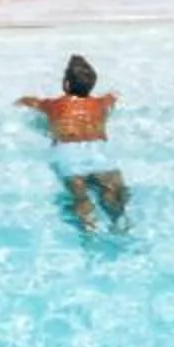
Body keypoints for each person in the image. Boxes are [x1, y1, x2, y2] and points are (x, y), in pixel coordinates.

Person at [20, 55, 129, 231]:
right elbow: (113, 97)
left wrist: (22, 100)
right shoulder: (101, 103)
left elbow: (31, 102)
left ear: (66, 84)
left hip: (68, 153)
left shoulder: (55, 104)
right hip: (97, 150)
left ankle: (89, 232)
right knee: (114, 195)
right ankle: (120, 225)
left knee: (80, 198)